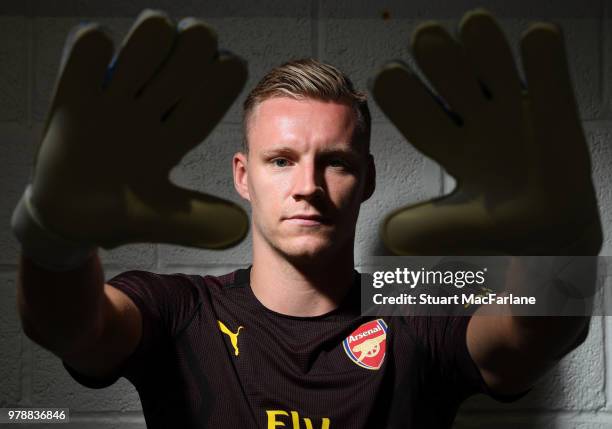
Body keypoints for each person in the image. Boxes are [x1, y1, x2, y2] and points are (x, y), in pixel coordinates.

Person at [11, 8, 602, 429]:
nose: (308, 187)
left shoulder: (415, 311)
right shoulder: (180, 309)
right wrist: (54, 239)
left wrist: (564, 251)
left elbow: (532, 337)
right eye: (281, 160)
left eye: (336, 163)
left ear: (367, 179)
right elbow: (72, 329)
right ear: (243, 175)